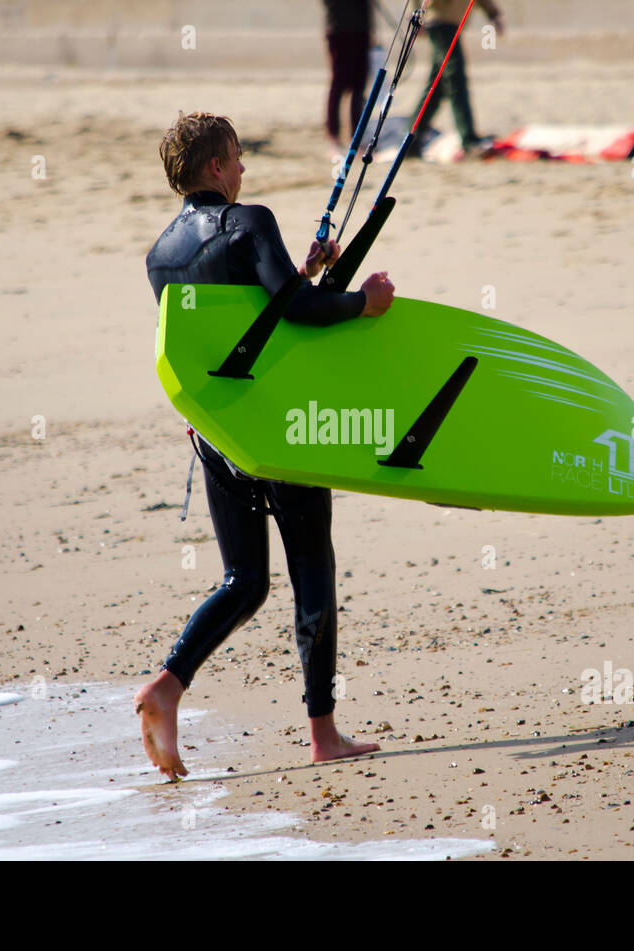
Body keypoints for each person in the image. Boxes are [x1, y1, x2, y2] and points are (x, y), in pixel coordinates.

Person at [138, 112, 395, 780]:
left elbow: (245, 319)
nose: (245, 168)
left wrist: (304, 273)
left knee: (244, 581)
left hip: (219, 434)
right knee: (312, 562)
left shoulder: (160, 254)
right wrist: (362, 304)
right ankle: (323, 732)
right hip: (282, 427)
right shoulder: (250, 220)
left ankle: (166, 685)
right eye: (238, 157)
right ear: (217, 168)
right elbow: (300, 312)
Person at [410, 0, 503, 159]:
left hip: (450, 22)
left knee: (437, 86)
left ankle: (411, 139)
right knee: (455, 79)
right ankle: (468, 140)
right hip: (439, 21)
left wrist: (492, 14)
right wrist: (417, 15)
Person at [321, 0, 374, 153]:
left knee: (359, 86)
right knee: (338, 83)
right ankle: (333, 135)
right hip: (339, 29)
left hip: (361, 31)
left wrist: (371, 32)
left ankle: (356, 137)